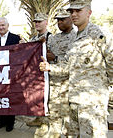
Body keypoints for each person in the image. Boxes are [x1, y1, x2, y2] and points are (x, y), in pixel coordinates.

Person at [39, 0, 113, 137]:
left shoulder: (98, 34)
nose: (74, 14)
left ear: (89, 13)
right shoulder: (74, 38)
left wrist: (103, 86)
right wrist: (50, 67)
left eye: (78, 11)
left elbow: (112, 63)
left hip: (93, 103)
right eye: (71, 11)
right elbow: (68, 66)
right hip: (74, 99)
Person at [35, 9, 76, 138]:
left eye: (63, 19)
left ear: (71, 19)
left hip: (68, 84)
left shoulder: (76, 37)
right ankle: (54, 134)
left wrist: (55, 58)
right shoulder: (53, 38)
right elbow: (47, 53)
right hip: (53, 82)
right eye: (58, 20)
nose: (59, 22)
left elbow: (73, 63)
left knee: (69, 117)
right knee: (54, 113)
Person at [0, 17, 21, 132]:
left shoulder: (16, 38)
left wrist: (22, 45)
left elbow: (22, 54)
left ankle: (10, 123)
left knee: (10, 97)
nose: (1, 27)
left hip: (11, 73)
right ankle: (1, 121)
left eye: (3, 25)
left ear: (8, 25)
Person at [26, 12, 55, 128]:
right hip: (35, 74)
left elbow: (54, 55)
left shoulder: (51, 37)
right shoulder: (33, 38)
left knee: (48, 98)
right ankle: (39, 119)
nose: (37, 24)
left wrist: (44, 51)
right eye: (35, 22)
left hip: (47, 73)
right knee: (38, 97)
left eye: (39, 21)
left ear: (46, 22)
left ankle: (47, 124)